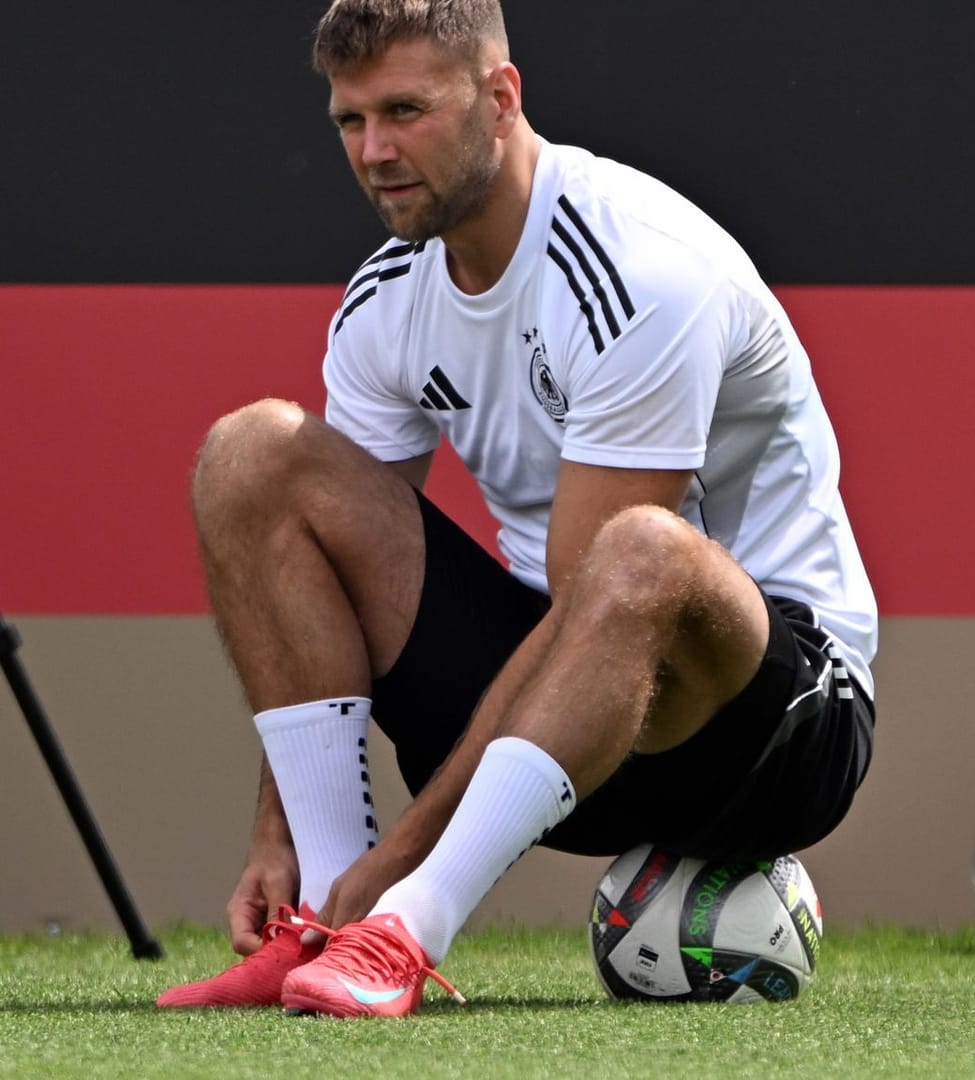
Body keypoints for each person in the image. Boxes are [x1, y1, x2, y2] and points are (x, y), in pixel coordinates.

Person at [157, 0, 876, 1018]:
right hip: (568, 727)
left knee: (638, 551)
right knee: (253, 455)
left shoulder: (640, 269)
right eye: (350, 122)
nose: (375, 150)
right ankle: (320, 910)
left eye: (404, 110)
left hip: (769, 728)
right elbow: (310, 586)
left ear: (501, 99)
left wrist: (401, 866)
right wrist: (278, 829)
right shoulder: (385, 302)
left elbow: (605, 592)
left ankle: (405, 927)